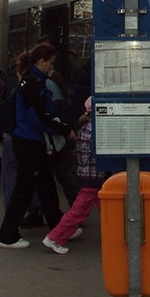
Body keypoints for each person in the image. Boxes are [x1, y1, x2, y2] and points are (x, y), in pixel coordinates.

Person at [0, 43, 74, 249]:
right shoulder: (34, 83)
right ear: (41, 62)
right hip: (29, 141)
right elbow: (39, 116)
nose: (51, 67)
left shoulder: (31, 81)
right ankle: (7, 235)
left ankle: (59, 226)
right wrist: (64, 129)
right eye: (50, 63)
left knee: (45, 185)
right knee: (25, 189)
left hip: (28, 140)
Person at [43, 97, 104, 254]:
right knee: (79, 213)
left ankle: (117, 235)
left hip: (88, 175)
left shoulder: (85, 127)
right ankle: (55, 237)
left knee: (108, 208)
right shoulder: (96, 130)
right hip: (93, 177)